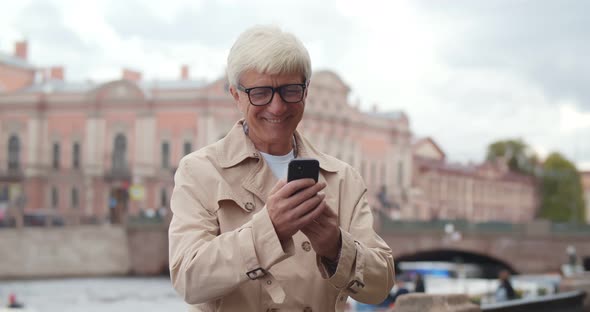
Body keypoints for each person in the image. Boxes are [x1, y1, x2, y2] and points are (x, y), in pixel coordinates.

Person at [168, 25, 395, 311]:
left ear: (305, 92)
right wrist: (269, 229)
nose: (277, 107)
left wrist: (336, 247)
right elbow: (189, 280)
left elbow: (380, 287)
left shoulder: (342, 179)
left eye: (290, 91)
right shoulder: (200, 171)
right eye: (261, 93)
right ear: (236, 96)